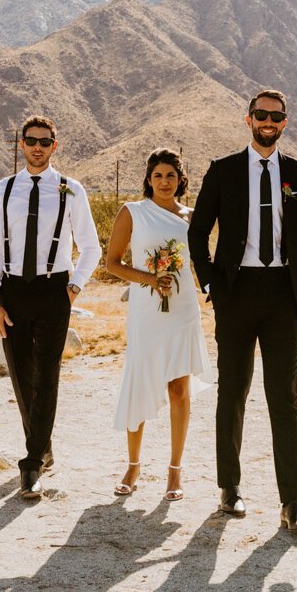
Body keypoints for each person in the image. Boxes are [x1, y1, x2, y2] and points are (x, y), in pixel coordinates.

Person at [188, 89, 297, 534]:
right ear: (248, 120)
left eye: (276, 116)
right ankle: (230, 488)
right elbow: (198, 232)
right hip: (236, 291)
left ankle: (293, 503)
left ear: (285, 122)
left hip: (282, 295)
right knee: (233, 393)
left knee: (284, 399)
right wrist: (212, 285)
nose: (268, 121)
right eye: (261, 114)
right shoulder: (223, 171)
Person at [0, 115, 101, 502]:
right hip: (14, 289)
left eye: (44, 141)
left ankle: (31, 463)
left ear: (55, 145)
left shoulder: (70, 190)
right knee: (20, 374)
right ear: (21, 144)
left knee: (46, 376)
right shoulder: (4, 189)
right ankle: (42, 444)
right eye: (31, 140)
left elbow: (91, 246)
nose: (37, 147)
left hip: (54, 290)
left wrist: (74, 288)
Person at [103, 149, 209, 502]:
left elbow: (203, 262)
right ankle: (133, 465)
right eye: (158, 175)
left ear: (181, 180)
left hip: (182, 309)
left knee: (179, 389)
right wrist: (150, 279)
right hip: (147, 312)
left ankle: (175, 470)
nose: (165, 182)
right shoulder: (132, 213)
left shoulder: (193, 218)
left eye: (171, 176)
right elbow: (113, 263)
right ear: (149, 179)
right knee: (140, 382)